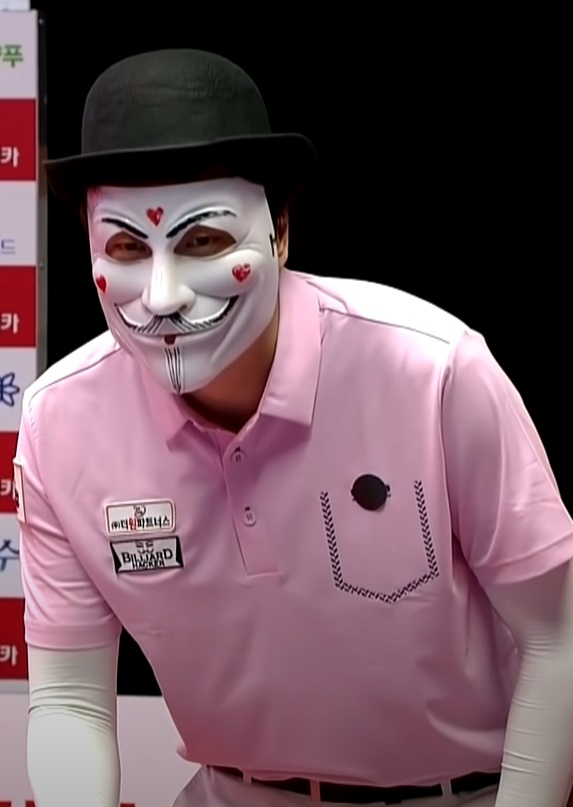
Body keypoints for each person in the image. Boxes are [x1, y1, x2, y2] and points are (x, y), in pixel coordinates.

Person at [13, 48, 573, 807]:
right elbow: (70, 701)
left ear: (278, 232)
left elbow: (557, 636)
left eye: (204, 242)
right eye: (126, 248)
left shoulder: (432, 372)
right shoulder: (60, 423)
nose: (164, 294)